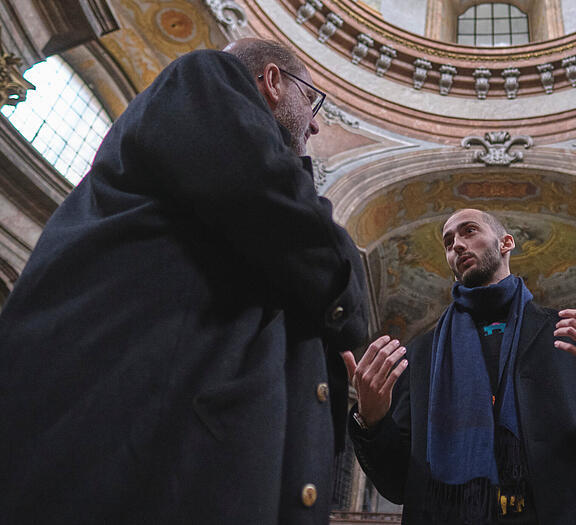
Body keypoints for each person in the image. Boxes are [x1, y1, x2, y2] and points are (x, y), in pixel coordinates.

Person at [0, 38, 368, 523]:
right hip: (138, 457)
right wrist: (347, 295)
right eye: (312, 100)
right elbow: (295, 223)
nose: (317, 123)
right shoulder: (206, 77)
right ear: (273, 81)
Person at [344, 208, 576, 524]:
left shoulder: (567, 333)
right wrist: (371, 421)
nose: (457, 246)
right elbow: (398, 485)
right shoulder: (423, 354)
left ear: (506, 243)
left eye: (469, 231)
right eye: (448, 242)